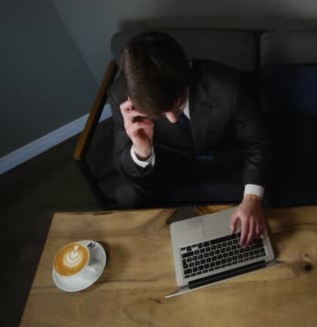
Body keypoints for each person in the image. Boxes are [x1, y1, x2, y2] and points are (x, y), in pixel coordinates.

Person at [109, 32, 269, 246]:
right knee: (126, 194)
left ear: (187, 70)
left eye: (177, 105)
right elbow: (121, 164)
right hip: (168, 166)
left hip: (224, 164)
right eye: (160, 114)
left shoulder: (229, 85)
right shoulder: (120, 95)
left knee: (265, 200)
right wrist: (142, 150)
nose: (172, 119)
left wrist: (252, 199)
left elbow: (258, 143)